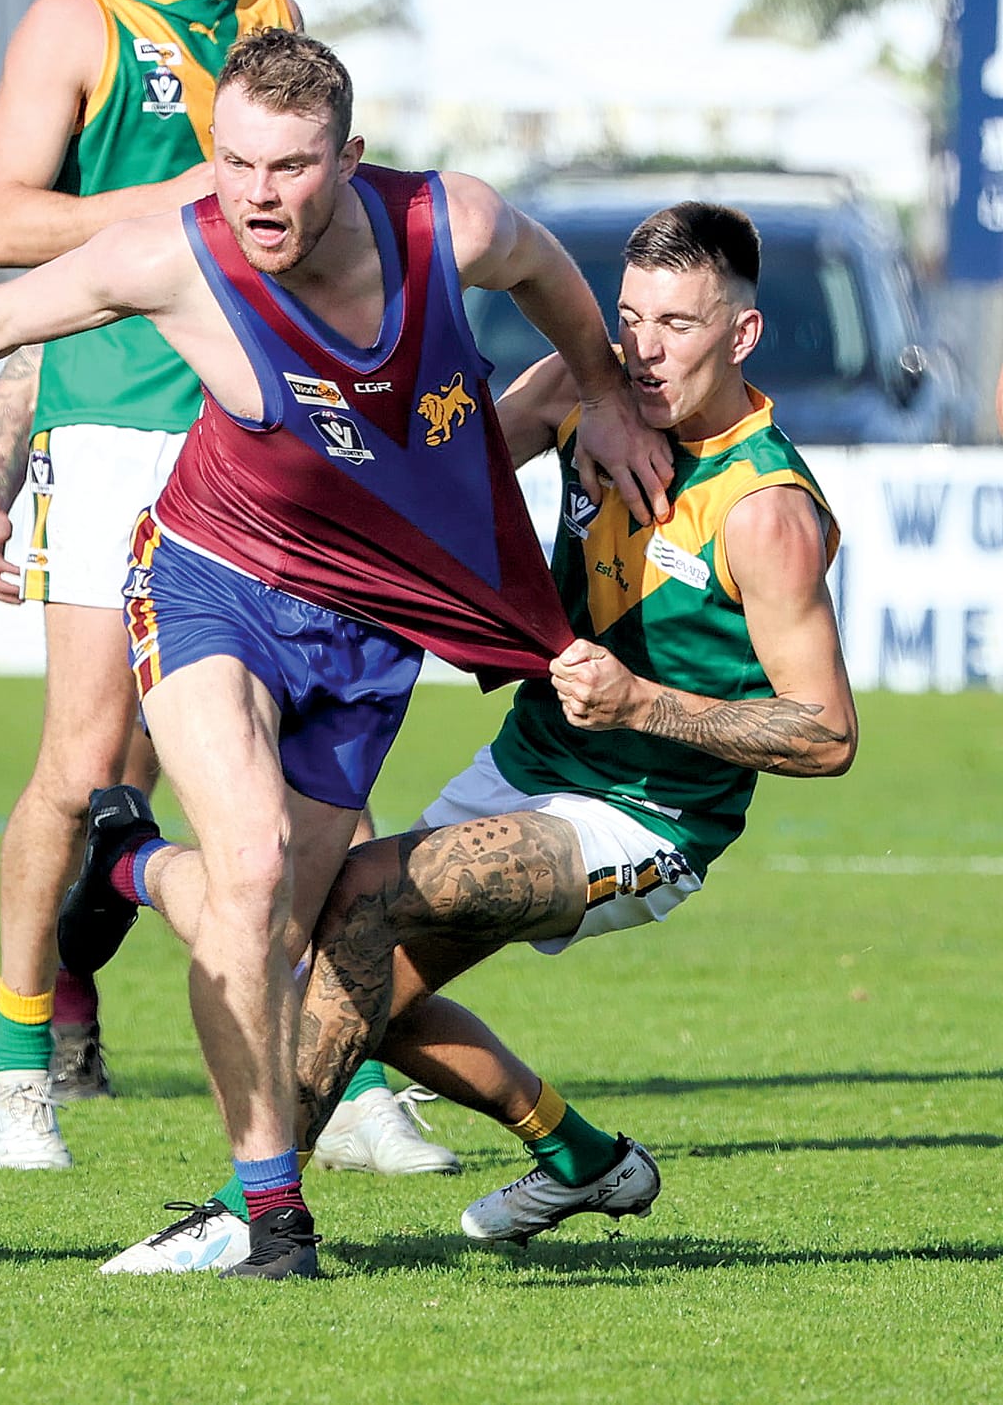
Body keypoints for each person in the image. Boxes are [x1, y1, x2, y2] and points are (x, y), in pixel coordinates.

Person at [0, 28, 670, 1277]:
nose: (258, 193)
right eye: (237, 161)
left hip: (370, 630)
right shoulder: (174, 254)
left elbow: (544, 271)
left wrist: (605, 387)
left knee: (285, 940)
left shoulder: (444, 224)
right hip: (213, 585)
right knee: (249, 877)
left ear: (347, 159)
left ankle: (131, 866)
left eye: (291, 166)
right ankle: (271, 1223)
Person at [94, 201, 855, 1273]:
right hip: (527, 765)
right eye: (628, 317)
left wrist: (640, 705)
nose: (639, 350)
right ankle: (585, 1162)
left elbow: (824, 734)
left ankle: (243, 1216)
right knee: (342, 977)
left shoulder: (761, 512)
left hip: (641, 816)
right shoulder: (577, 391)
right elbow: (433, 479)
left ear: (739, 336)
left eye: (677, 325)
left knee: (357, 899)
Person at [0, 0, 302, 1163]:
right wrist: (173, 198)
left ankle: (327, 1067)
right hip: (110, 425)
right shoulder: (76, 18)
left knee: (278, 754)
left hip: (251, 431)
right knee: (84, 756)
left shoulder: (270, 18)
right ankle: (18, 1052)